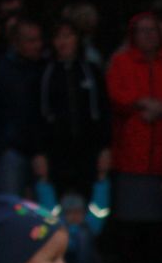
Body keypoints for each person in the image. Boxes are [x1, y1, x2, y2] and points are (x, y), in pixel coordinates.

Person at [105, 12, 162, 263]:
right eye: (142, 31)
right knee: (130, 209)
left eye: (153, 30)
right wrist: (141, 103)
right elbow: (114, 93)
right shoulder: (121, 62)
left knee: (161, 209)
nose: (148, 35)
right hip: (131, 143)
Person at [34, 19, 110, 203]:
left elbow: (103, 112)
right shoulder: (43, 73)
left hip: (88, 152)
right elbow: (36, 117)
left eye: (68, 36)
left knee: (91, 203)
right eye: (59, 37)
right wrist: (39, 153)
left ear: (77, 39)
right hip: (56, 154)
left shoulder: (91, 71)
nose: (63, 42)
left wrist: (105, 149)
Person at [0, 17, 46, 199]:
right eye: (31, 41)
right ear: (16, 43)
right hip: (11, 151)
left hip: (41, 151)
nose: (37, 45)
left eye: (39, 39)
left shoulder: (44, 68)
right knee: (11, 207)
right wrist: (2, 144)